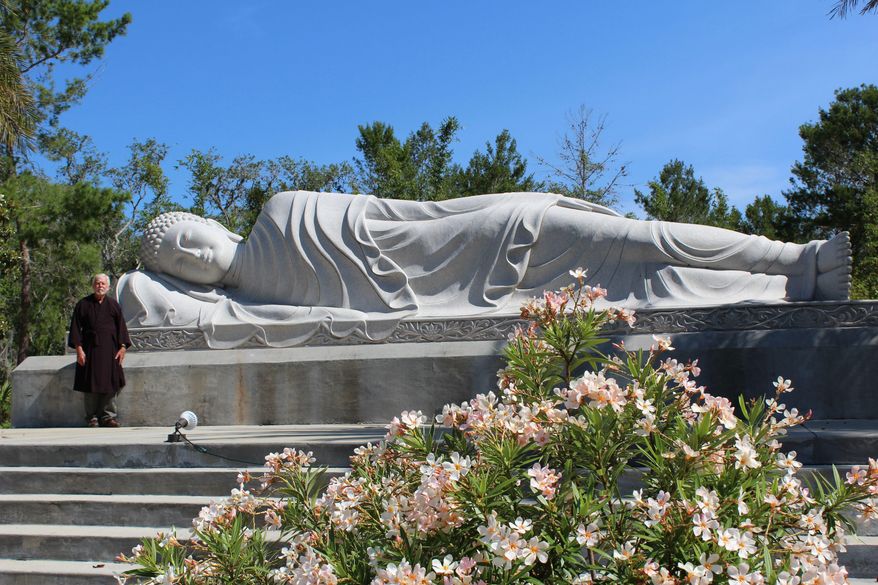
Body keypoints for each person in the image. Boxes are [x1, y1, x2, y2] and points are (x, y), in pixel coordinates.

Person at [117, 191, 852, 349]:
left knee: (638, 237)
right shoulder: (250, 312)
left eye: (186, 234)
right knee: (646, 283)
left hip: (479, 236)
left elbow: (408, 210)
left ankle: (796, 259)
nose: (191, 252)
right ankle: (774, 284)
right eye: (176, 261)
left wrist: (499, 203)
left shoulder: (282, 210)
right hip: (458, 300)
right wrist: (139, 284)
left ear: (209, 220)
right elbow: (150, 306)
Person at [68, 273, 131, 427]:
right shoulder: (83, 304)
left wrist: (122, 347)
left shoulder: (113, 305)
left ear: (108, 287)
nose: (100, 286)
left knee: (111, 382)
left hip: (110, 351)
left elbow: (121, 328)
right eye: (97, 283)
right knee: (89, 384)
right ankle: (91, 417)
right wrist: (79, 349)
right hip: (89, 350)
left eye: (103, 284)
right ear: (93, 285)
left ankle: (108, 416)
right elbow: (76, 328)